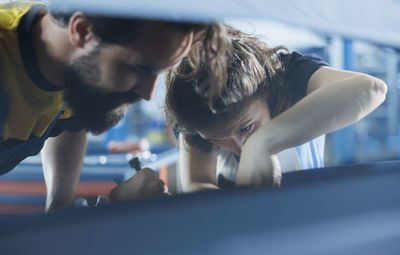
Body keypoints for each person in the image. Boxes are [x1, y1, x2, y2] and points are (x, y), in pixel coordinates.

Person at [0, 1, 228, 211]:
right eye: (140, 69)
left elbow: (72, 121)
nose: (147, 94)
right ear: (82, 31)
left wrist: (59, 204)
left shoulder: (66, 56)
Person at [165, 26, 388, 192]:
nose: (239, 148)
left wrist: (262, 143)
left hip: (307, 198)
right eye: (218, 140)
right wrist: (236, 209)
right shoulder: (193, 108)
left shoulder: (291, 73)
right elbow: (198, 182)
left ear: (266, 88)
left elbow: (371, 89)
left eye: (246, 127)